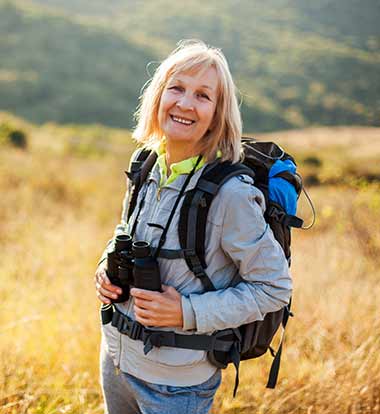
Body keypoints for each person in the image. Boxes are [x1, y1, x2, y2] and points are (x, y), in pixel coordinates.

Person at [94, 39, 291, 414]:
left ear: (218, 113)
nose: (185, 104)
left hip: (176, 385)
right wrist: (105, 267)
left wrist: (187, 312)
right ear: (158, 96)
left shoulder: (230, 195)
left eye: (203, 95)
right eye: (177, 88)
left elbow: (273, 287)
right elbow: (127, 232)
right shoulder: (146, 164)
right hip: (116, 359)